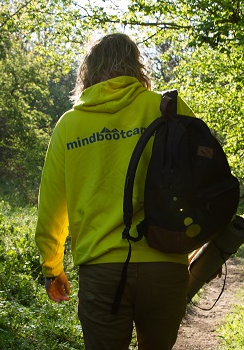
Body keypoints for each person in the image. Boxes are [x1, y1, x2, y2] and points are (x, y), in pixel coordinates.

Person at [35, 33, 196, 350]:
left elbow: (52, 207)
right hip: (166, 265)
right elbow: (201, 181)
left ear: (89, 71)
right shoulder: (167, 109)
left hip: (102, 270)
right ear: (137, 67)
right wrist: (201, 243)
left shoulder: (69, 125)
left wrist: (51, 268)